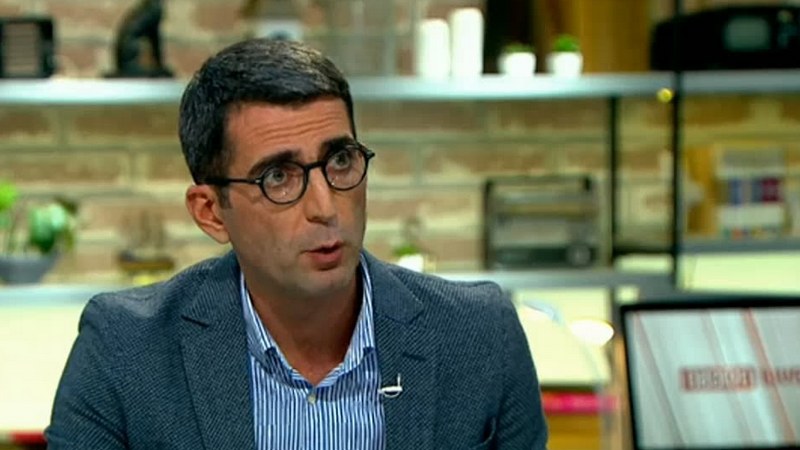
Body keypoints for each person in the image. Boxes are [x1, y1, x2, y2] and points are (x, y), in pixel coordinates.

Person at [45, 38, 548, 450]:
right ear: (211, 212)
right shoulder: (125, 350)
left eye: (340, 161)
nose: (325, 206)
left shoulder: (480, 334)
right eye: (278, 176)